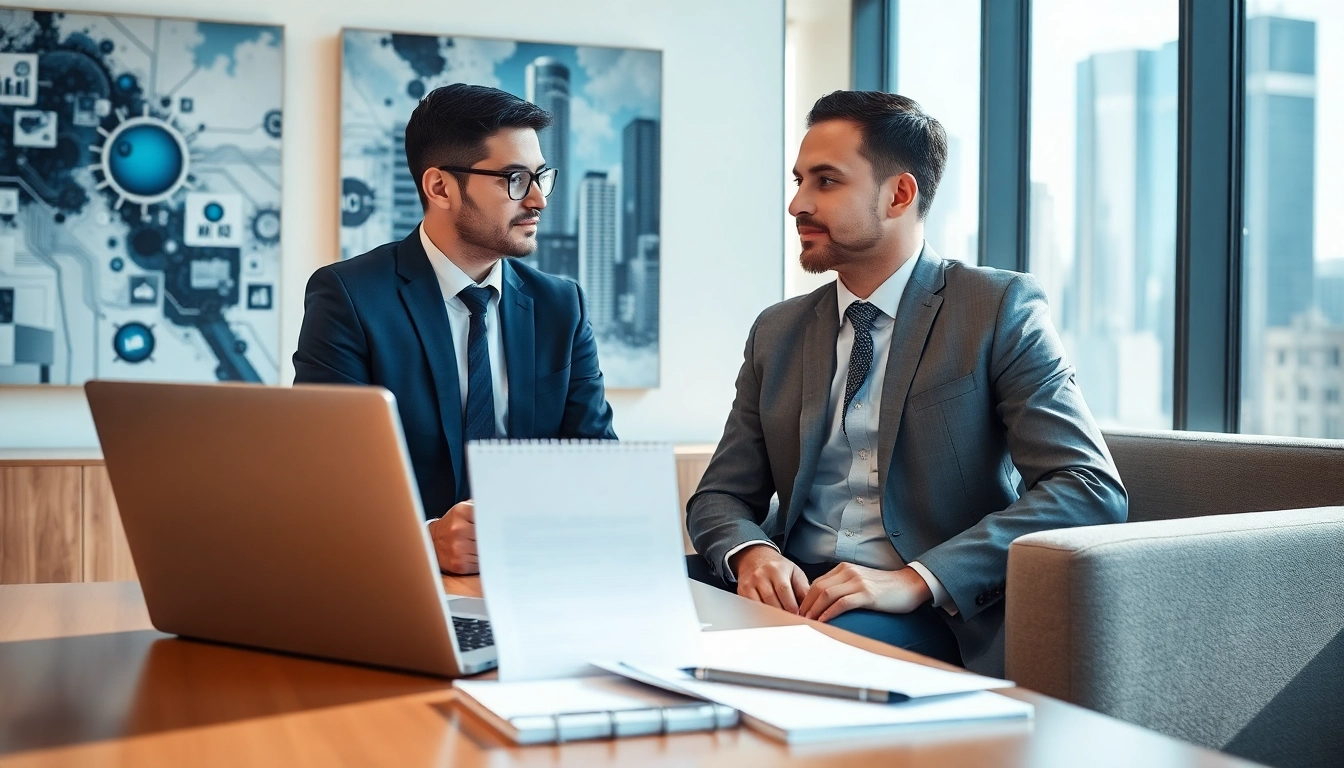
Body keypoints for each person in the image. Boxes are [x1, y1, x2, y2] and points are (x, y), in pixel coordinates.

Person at [685, 91, 1126, 675]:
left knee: (808, 657)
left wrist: (916, 579)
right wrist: (751, 552)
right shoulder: (778, 330)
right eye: (799, 181)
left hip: (924, 609)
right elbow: (720, 495)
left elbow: (1089, 487)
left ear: (899, 194)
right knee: (605, 598)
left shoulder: (996, 309)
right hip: (794, 587)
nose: (797, 204)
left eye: (826, 181)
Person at [295, 84, 616, 575]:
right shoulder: (349, 297)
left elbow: (597, 467)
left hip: (538, 578)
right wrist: (425, 539)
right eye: (513, 179)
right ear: (440, 187)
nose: (537, 200)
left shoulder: (561, 305)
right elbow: (324, 480)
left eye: (541, 177)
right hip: (395, 580)